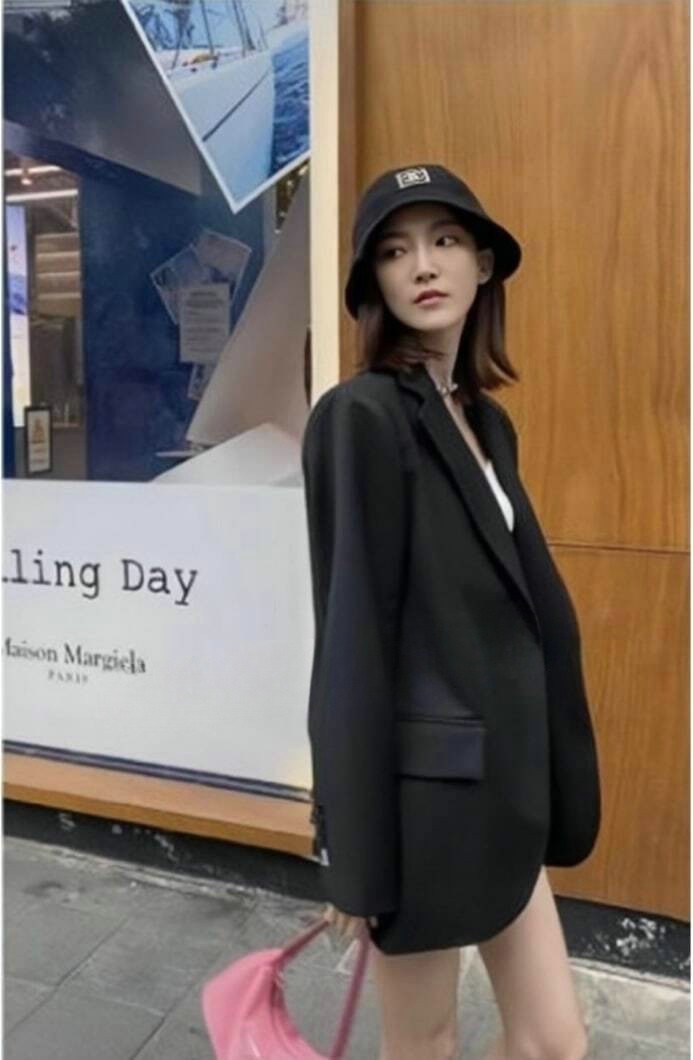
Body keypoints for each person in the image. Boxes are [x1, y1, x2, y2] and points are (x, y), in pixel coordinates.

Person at [301, 164, 601, 1060]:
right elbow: (352, 638)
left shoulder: (485, 422)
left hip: (504, 787)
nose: (423, 266)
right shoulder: (360, 417)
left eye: (444, 241)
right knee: (424, 1042)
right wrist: (352, 850)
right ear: (374, 284)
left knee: (553, 1042)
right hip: (421, 805)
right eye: (395, 252)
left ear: (482, 263)